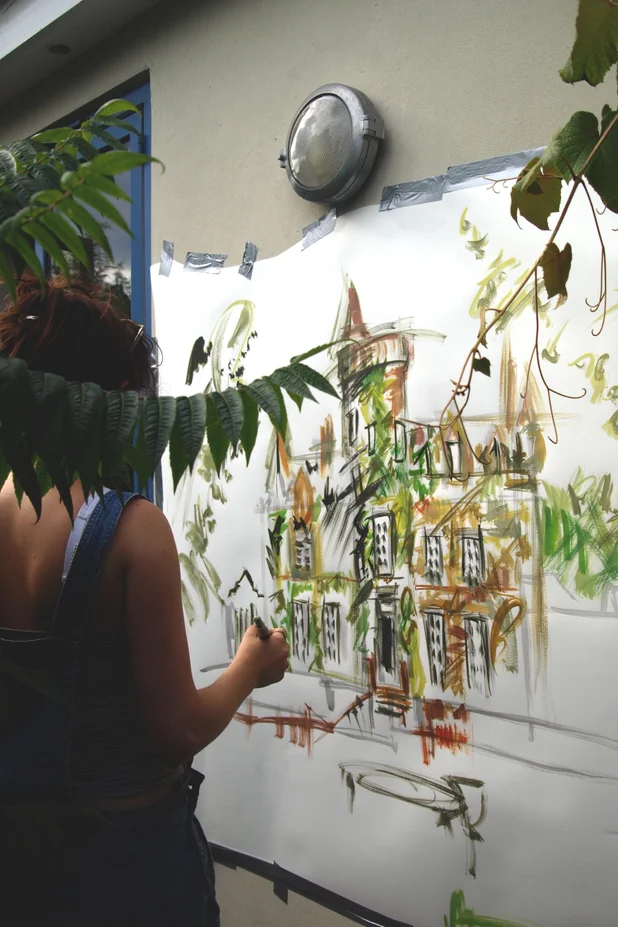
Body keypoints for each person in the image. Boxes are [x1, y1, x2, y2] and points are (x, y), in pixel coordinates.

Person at [0, 275, 290, 926]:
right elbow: (174, 731)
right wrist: (250, 667)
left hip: (23, 856)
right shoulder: (132, 530)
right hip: (126, 862)